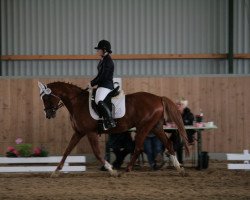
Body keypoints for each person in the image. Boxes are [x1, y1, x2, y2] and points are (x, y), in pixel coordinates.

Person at [88, 40, 116, 130]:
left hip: (106, 85)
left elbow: (103, 76)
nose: (97, 51)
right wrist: (92, 83)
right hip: (101, 85)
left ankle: (109, 121)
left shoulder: (108, 61)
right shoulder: (103, 60)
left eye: (99, 49)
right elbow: (99, 75)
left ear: (104, 50)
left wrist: (92, 83)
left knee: (98, 100)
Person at [168, 97, 195, 164]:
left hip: (187, 135)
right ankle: (180, 162)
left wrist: (178, 124)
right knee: (175, 140)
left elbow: (189, 125)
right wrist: (169, 124)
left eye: (179, 104)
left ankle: (172, 151)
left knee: (179, 140)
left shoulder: (189, 115)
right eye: (176, 104)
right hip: (175, 135)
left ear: (184, 106)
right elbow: (168, 125)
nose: (177, 106)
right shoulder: (173, 114)